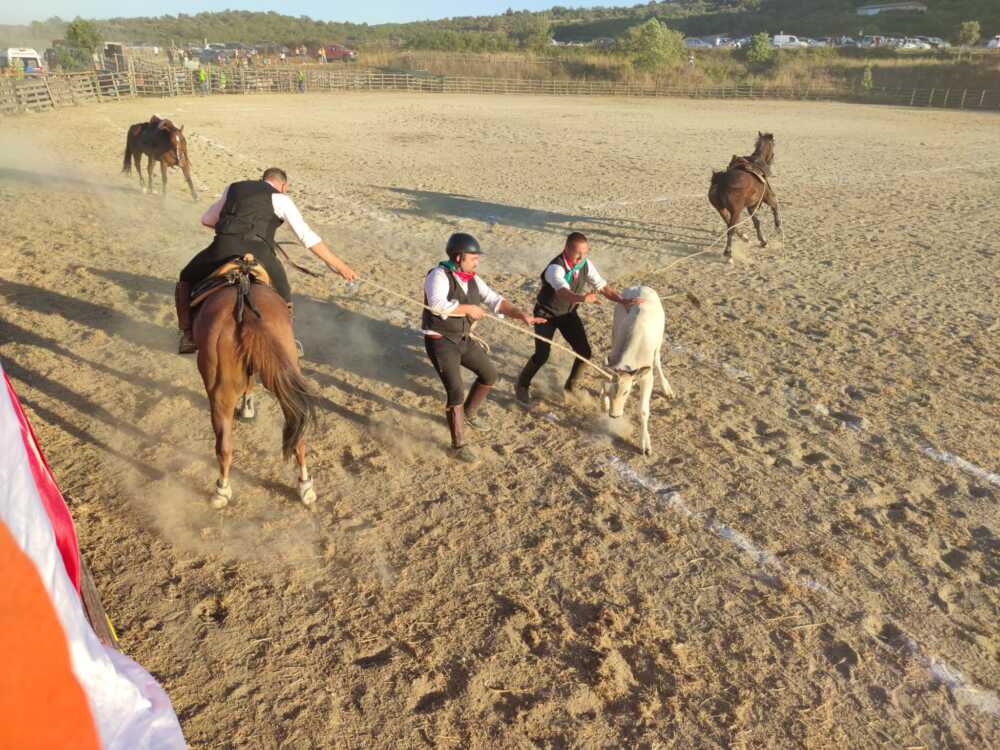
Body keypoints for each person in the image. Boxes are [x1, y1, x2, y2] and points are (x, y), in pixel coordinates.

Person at [174, 167, 357, 354]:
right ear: (283, 185)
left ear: (262, 179)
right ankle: (288, 340)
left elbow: (207, 220)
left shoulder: (234, 187)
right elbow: (306, 237)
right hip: (260, 252)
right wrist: (340, 267)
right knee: (283, 292)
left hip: (223, 247)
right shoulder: (282, 199)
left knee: (186, 276)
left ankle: (187, 334)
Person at [423, 233, 545, 462]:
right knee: (455, 390)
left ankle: (469, 413)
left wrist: (521, 316)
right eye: (473, 258)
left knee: (489, 374)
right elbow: (438, 306)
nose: (477, 262)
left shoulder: (472, 279)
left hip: (462, 338)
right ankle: (457, 446)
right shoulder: (438, 275)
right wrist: (468, 308)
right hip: (440, 340)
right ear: (458, 258)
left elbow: (495, 300)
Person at [515, 232, 642, 404]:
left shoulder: (585, 264)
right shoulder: (555, 268)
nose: (581, 257)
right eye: (577, 254)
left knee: (584, 352)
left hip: (568, 314)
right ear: (566, 249)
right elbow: (563, 292)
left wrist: (622, 300)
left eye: (585, 253)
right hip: (546, 314)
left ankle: (570, 387)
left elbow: (603, 287)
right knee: (542, 354)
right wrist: (583, 298)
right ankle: (522, 384)